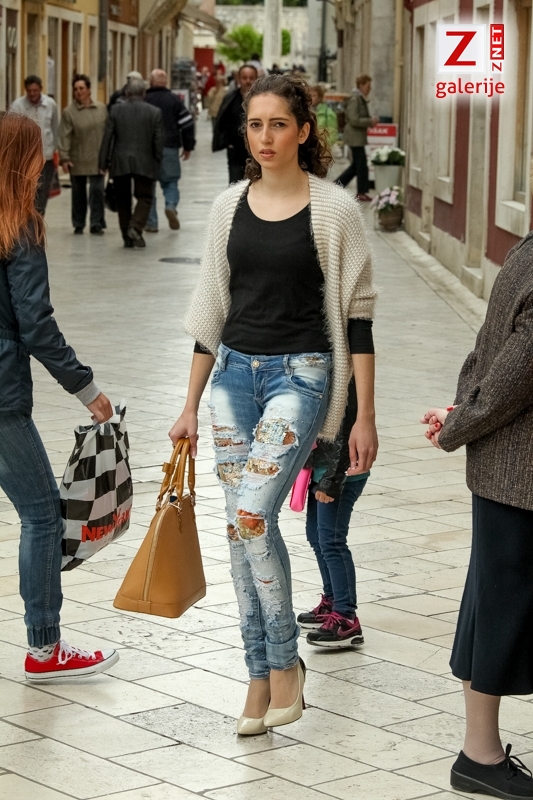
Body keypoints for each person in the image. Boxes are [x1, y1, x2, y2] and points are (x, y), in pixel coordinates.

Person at [169, 74, 378, 736]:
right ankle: (257, 675)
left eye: (278, 124)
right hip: (232, 376)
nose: (264, 137)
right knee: (239, 531)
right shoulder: (227, 206)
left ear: (303, 131)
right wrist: (187, 405)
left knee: (253, 515)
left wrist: (363, 418)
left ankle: (285, 664)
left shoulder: (334, 211)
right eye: (255, 124)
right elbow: (211, 311)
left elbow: (359, 320)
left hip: (302, 376)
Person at [0, 112, 119, 681]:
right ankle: (45, 649)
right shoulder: (18, 226)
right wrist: (85, 388)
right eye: (38, 152)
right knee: (43, 513)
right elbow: (36, 325)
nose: (45, 161)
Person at [421, 230, 533, 799]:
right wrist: (461, 419)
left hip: (507, 471)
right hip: (520, 475)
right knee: (499, 613)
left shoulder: (526, 249)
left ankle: (479, 753)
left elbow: (488, 353)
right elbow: (513, 374)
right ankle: (479, 755)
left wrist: (459, 411)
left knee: (493, 606)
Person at [299, 376, 371, 647]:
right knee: (316, 537)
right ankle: (332, 601)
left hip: (341, 476)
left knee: (332, 541)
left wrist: (331, 481)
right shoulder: (319, 372)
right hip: (321, 472)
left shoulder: (342, 379)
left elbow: (344, 433)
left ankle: (346, 617)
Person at [99, 78, 164, 248]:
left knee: (123, 200)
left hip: (120, 161)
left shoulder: (115, 110)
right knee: (145, 196)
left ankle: (127, 237)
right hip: (145, 161)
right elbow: (158, 140)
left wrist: (103, 162)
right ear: (144, 93)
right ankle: (135, 227)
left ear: (126, 93)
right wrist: (158, 158)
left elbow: (107, 138)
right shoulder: (154, 112)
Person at [144, 69, 195, 233]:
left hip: (147, 149)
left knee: (148, 185)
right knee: (170, 182)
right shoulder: (174, 100)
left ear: (151, 82)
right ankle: (171, 206)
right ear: (166, 82)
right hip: (170, 147)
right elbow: (187, 123)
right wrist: (188, 146)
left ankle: (151, 222)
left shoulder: (145, 99)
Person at [59, 74, 108, 235]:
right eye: (75, 89)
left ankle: (96, 223)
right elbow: (64, 136)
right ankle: (78, 223)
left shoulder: (101, 109)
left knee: (97, 191)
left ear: (89, 90)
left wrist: (108, 156)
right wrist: (64, 158)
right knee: (78, 193)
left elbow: (108, 133)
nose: (78, 92)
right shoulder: (69, 112)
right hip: (78, 158)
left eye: (81, 88)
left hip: (97, 158)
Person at [11, 75, 58, 215]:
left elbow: (55, 128)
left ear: (41, 89)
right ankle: (27, 219)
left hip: (46, 157)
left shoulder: (50, 104)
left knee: (43, 192)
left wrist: (55, 150)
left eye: (35, 90)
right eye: (29, 91)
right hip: (25, 159)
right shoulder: (17, 106)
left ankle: (38, 219)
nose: (32, 94)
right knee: (26, 191)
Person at [336, 74, 379, 202]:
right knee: (361, 165)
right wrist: (369, 121)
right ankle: (360, 192)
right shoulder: (355, 99)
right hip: (354, 137)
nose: (369, 89)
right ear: (361, 85)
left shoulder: (360, 98)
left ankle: (337, 186)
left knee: (357, 165)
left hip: (357, 137)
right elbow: (354, 119)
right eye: (367, 86)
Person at [212, 64, 258, 184]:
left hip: (257, 152)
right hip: (235, 152)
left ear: (256, 79)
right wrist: (227, 142)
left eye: (251, 78)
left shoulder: (263, 100)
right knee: (235, 185)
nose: (248, 81)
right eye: (244, 78)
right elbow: (222, 121)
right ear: (238, 79)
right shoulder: (231, 99)